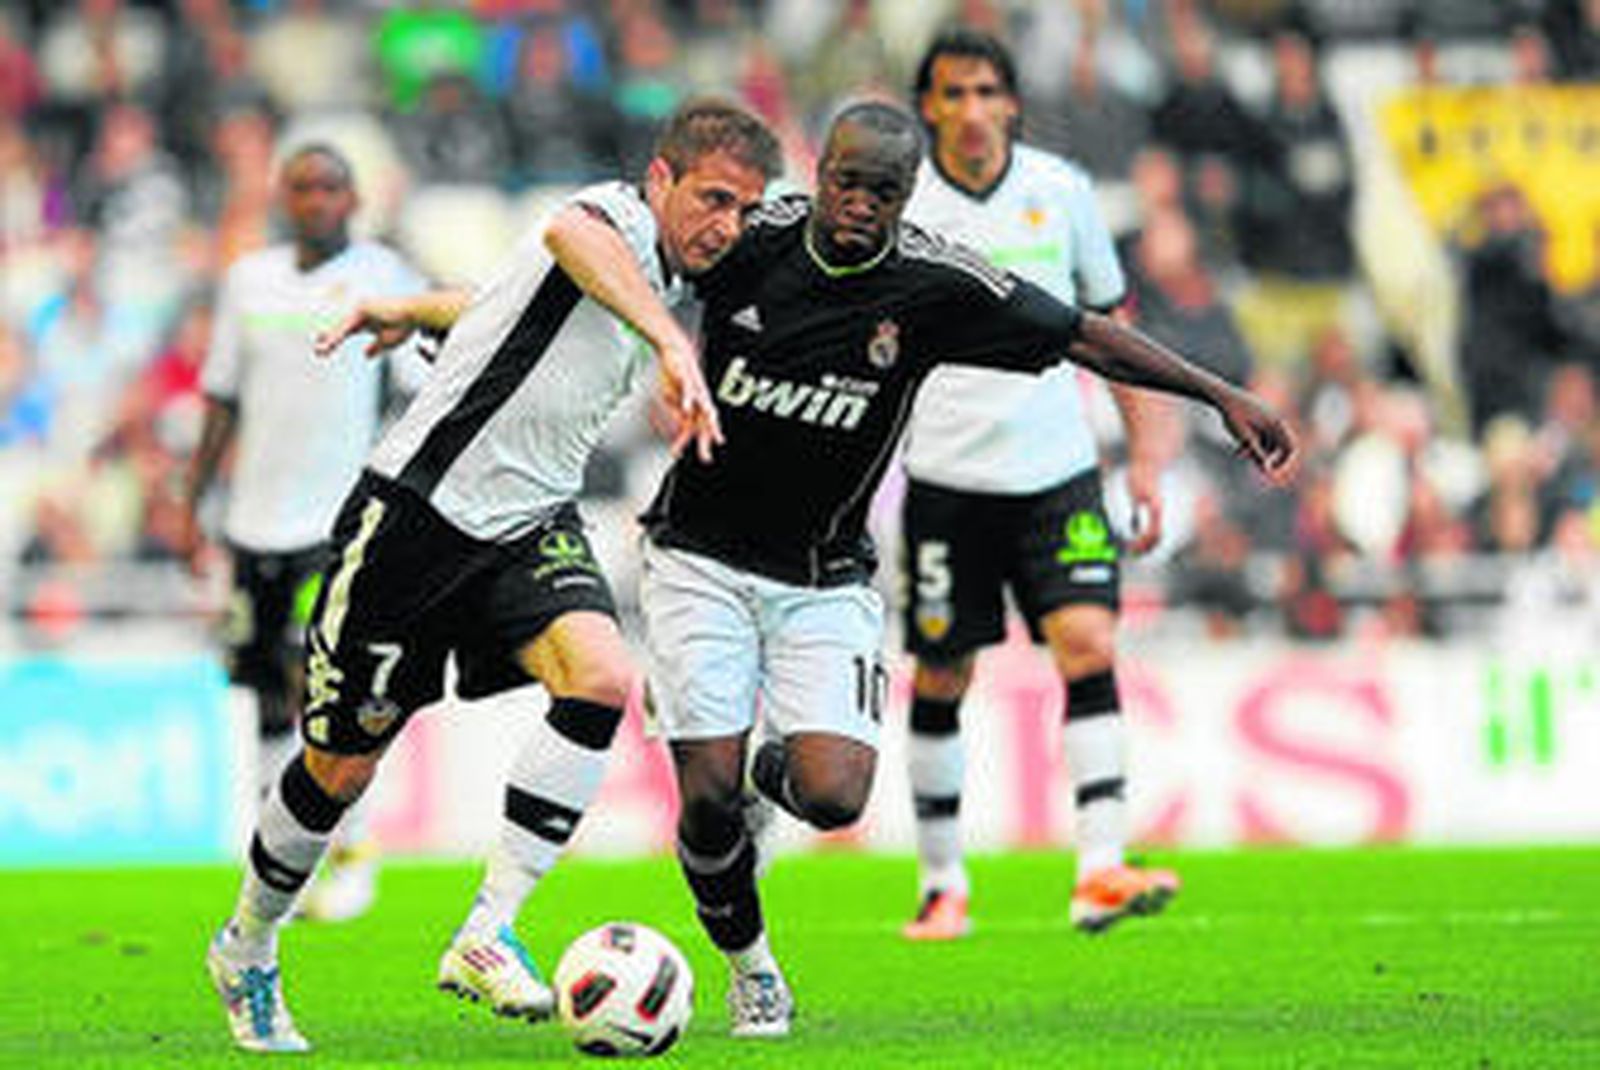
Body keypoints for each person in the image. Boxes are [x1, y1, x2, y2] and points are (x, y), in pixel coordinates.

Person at [638, 101, 1296, 1039]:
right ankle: (755, 973)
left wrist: (1218, 394)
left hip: (825, 575)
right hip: (697, 555)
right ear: (819, 175)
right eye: (847, 182)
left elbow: (1084, 334)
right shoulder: (750, 239)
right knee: (703, 801)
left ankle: (753, 772)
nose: (861, 204)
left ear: (908, 196)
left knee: (832, 796)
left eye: (883, 191)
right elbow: (621, 256)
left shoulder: (935, 284)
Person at [203, 98, 781, 1054]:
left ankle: (487, 930)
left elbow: (512, 301)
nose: (728, 225)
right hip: (414, 516)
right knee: (338, 768)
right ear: (661, 180)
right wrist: (671, 341)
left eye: (746, 210)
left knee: (601, 677)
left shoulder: (670, 275)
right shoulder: (613, 219)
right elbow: (566, 239)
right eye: (714, 198)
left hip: (528, 522)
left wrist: (416, 307)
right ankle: (246, 946)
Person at [893, 28, 1178, 942]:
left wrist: (1143, 457)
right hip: (947, 479)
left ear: (1012, 102)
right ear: (928, 107)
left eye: (987, 92)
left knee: (1088, 643)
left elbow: (1113, 328)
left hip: (1057, 473)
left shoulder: (1062, 192)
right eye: (954, 94)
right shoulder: (904, 204)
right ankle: (943, 883)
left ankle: (1100, 869)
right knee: (944, 672)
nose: (972, 110)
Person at [180, 143, 429, 924]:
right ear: (281, 198)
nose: (316, 200)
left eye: (329, 187)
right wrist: (193, 502)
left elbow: (422, 386)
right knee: (261, 695)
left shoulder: (385, 276)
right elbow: (223, 395)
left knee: (318, 684)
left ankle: (350, 849)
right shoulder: (247, 281)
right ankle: (277, 861)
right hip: (253, 524)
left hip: (338, 524)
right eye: (301, 188)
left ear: (353, 199)